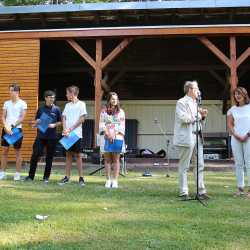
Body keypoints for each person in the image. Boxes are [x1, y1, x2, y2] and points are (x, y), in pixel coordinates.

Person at [173, 80, 209, 200]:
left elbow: (198, 122)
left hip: (197, 136)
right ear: (190, 90)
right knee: (184, 166)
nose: (198, 91)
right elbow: (184, 118)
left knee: (199, 165)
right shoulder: (181, 102)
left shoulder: (196, 103)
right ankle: (184, 192)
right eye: (196, 88)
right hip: (186, 138)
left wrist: (203, 116)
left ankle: (201, 191)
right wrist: (199, 115)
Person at [24, 90, 62, 183]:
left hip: (52, 137)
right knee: (35, 155)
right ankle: (30, 176)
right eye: (50, 97)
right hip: (40, 136)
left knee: (49, 157)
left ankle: (46, 178)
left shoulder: (57, 109)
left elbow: (61, 121)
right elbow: (37, 120)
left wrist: (54, 125)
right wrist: (34, 124)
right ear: (45, 98)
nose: (52, 99)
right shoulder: (40, 109)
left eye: (53, 97)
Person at [59, 85, 87, 186]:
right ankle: (67, 177)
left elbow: (82, 119)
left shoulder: (81, 104)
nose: (66, 95)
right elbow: (64, 117)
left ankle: (81, 178)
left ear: (72, 93)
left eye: (67, 93)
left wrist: (70, 129)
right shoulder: (67, 105)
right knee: (68, 155)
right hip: (67, 134)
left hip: (76, 134)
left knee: (78, 155)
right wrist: (65, 129)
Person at [0, 84, 27, 181]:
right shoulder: (6, 103)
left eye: (11, 90)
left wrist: (12, 126)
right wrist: (6, 127)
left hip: (16, 130)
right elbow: (3, 116)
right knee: (4, 151)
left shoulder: (23, 103)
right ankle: (2, 173)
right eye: (9, 90)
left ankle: (17, 174)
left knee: (17, 152)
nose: (9, 92)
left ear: (17, 92)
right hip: (6, 129)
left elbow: (22, 118)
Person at [227, 87, 250, 198]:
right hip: (236, 139)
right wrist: (236, 135)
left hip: (248, 138)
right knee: (239, 163)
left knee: (249, 163)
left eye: (239, 93)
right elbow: (230, 124)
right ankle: (240, 188)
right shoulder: (232, 110)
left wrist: (247, 135)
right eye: (236, 94)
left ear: (244, 95)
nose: (237, 96)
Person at [99, 92, 125, 188]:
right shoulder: (103, 111)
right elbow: (102, 124)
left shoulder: (121, 112)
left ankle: (115, 180)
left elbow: (122, 126)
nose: (114, 101)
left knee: (116, 160)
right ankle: (108, 180)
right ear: (109, 99)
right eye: (113, 99)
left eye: (116, 99)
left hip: (117, 137)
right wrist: (108, 134)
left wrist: (114, 134)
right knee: (107, 159)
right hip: (106, 137)